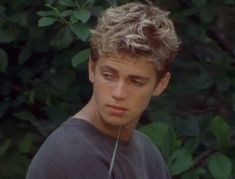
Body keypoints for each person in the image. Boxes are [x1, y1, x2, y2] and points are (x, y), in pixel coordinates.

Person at [26, 1, 180, 179]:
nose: (118, 93)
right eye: (109, 75)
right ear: (92, 68)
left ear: (160, 84)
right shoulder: (73, 152)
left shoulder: (147, 152)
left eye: (136, 81)